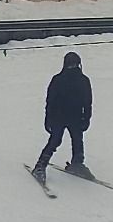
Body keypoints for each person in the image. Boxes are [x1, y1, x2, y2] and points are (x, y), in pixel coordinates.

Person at [31, 51, 93, 182]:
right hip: (61, 116)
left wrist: (86, 118)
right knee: (57, 141)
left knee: (76, 140)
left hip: (71, 117)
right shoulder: (61, 80)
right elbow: (50, 101)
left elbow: (87, 102)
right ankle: (40, 166)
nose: (73, 68)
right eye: (72, 65)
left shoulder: (80, 80)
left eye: (74, 65)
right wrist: (48, 118)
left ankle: (77, 163)